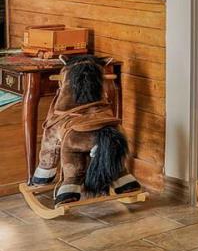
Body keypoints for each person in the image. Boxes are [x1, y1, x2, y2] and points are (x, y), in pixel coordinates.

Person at [28, 56, 141, 206]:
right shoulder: (103, 99)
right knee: (115, 151)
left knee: (56, 140)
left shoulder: (59, 115)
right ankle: (124, 180)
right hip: (108, 125)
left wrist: (45, 172)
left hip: (77, 134)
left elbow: (51, 147)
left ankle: (67, 187)